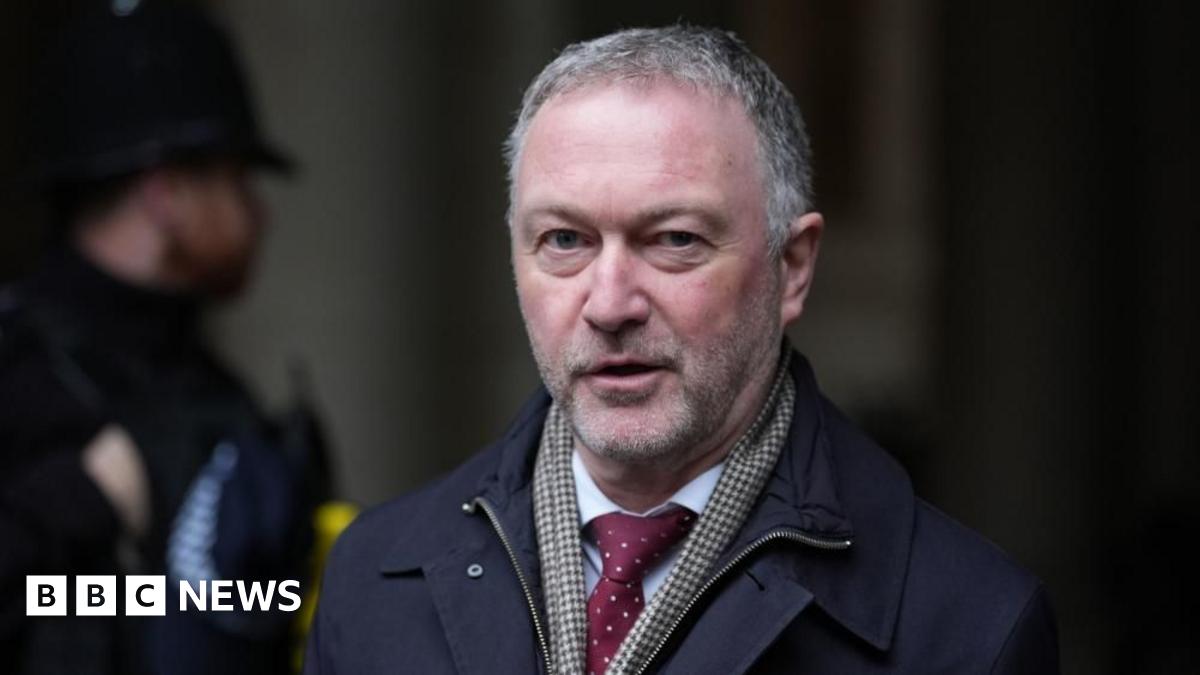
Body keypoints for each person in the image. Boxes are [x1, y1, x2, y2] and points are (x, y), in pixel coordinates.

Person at [305, 26, 1059, 674]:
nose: (610, 304)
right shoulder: (372, 581)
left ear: (793, 267)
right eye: (564, 240)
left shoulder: (970, 628)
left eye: (673, 240)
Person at [0, 5, 329, 674]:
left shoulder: (212, 392)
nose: (259, 214)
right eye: (238, 179)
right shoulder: (20, 376)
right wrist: (77, 507)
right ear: (167, 194)